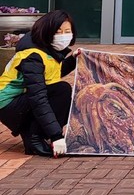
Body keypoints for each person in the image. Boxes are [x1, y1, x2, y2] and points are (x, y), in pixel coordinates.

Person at [0, 10, 78, 157]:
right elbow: (38, 97)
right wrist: (56, 135)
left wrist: (73, 59)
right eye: (58, 31)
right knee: (61, 91)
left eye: (67, 31)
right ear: (47, 31)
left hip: (20, 101)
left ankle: (34, 133)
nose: (63, 36)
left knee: (60, 91)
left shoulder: (46, 50)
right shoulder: (32, 56)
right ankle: (34, 138)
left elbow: (50, 74)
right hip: (8, 105)